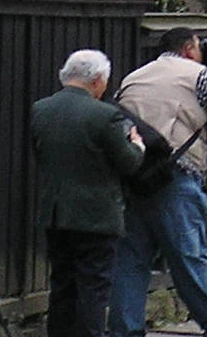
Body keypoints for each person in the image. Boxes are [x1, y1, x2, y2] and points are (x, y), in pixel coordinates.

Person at [106, 28, 207, 337]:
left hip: (135, 176)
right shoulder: (196, 75)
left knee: (130, 262)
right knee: (190, 259)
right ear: (188, 49)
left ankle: (124, 331)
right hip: (177, 178)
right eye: (201, 47)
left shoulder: (134, 77)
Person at [31, 50, 144, 337]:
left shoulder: (41, 109)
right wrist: (137, 145)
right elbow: (128, 163)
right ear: (96, 80)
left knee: (63, 286)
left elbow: (40, 153)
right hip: (96, 216)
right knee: (93, 288)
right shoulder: (104, 116)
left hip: (56, 212)